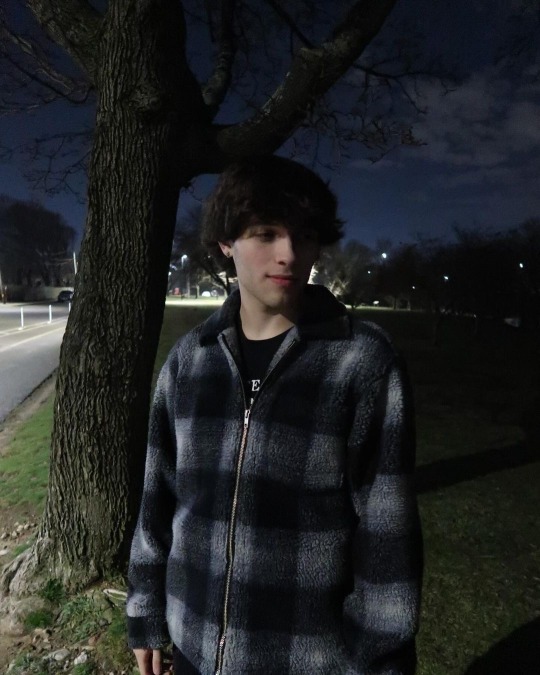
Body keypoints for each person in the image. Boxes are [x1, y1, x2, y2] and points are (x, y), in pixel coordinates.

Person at [126, 156, 423, 675]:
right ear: (227, 242)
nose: (289, 254)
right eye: (266, 233)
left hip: (302, 659)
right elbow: (158, 499)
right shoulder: (190, 361)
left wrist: (379, 660)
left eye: (304, 235)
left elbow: (387, 533)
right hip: (193, 646)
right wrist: (146, 610)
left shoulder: (362, 363)